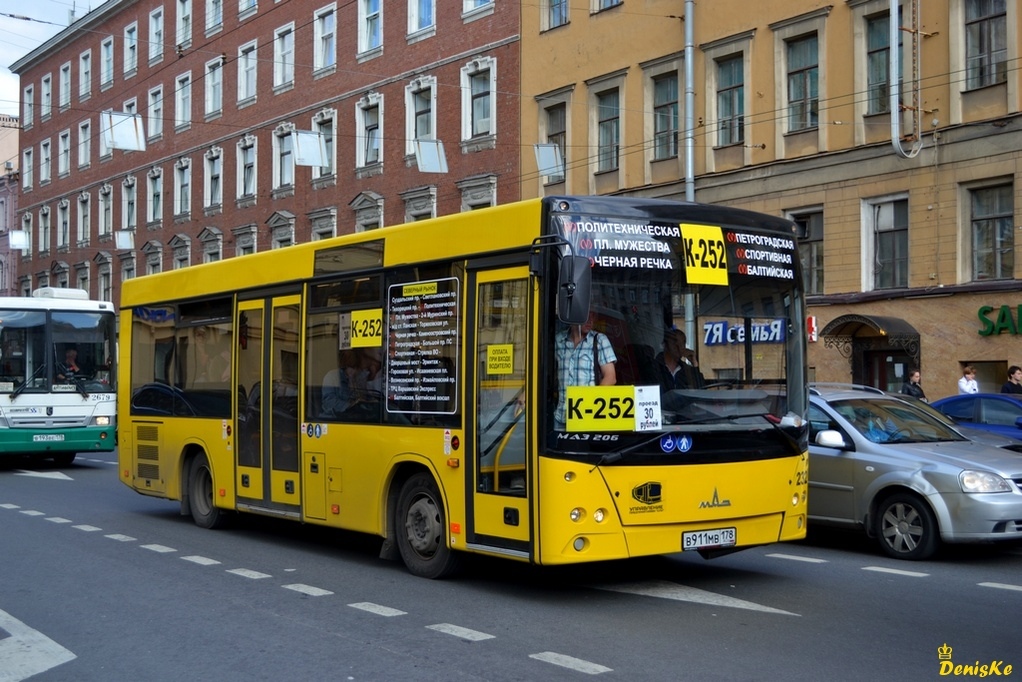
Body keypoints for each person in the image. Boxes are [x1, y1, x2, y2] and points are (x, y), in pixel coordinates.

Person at [553, 311, 616, 430]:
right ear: (574, 315)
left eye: (593, 316)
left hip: (587, 419)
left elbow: (610, 377)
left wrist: (591, 406)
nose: (591, 320)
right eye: (586, 315)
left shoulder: (599, 340)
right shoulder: (559, 340)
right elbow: (545, 373)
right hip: (561, 418)